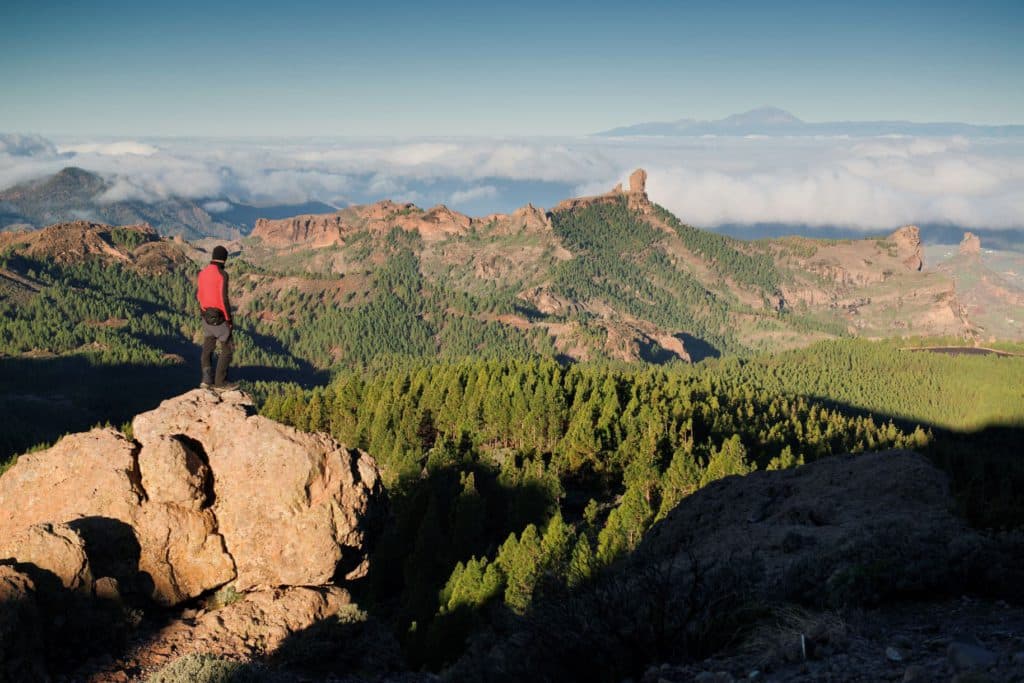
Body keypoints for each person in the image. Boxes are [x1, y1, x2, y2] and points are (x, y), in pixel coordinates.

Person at [196, 245, 236, 389]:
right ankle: (220, 382)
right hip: (219, 318)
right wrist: (229, 320)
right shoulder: (222, 275)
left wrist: (203, 312)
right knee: (228, 348)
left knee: (207, 348)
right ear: (224, 259)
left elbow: (199, 295)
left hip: (205, 315)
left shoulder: (202, 273)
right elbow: (223, 299)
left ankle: (206, 380)